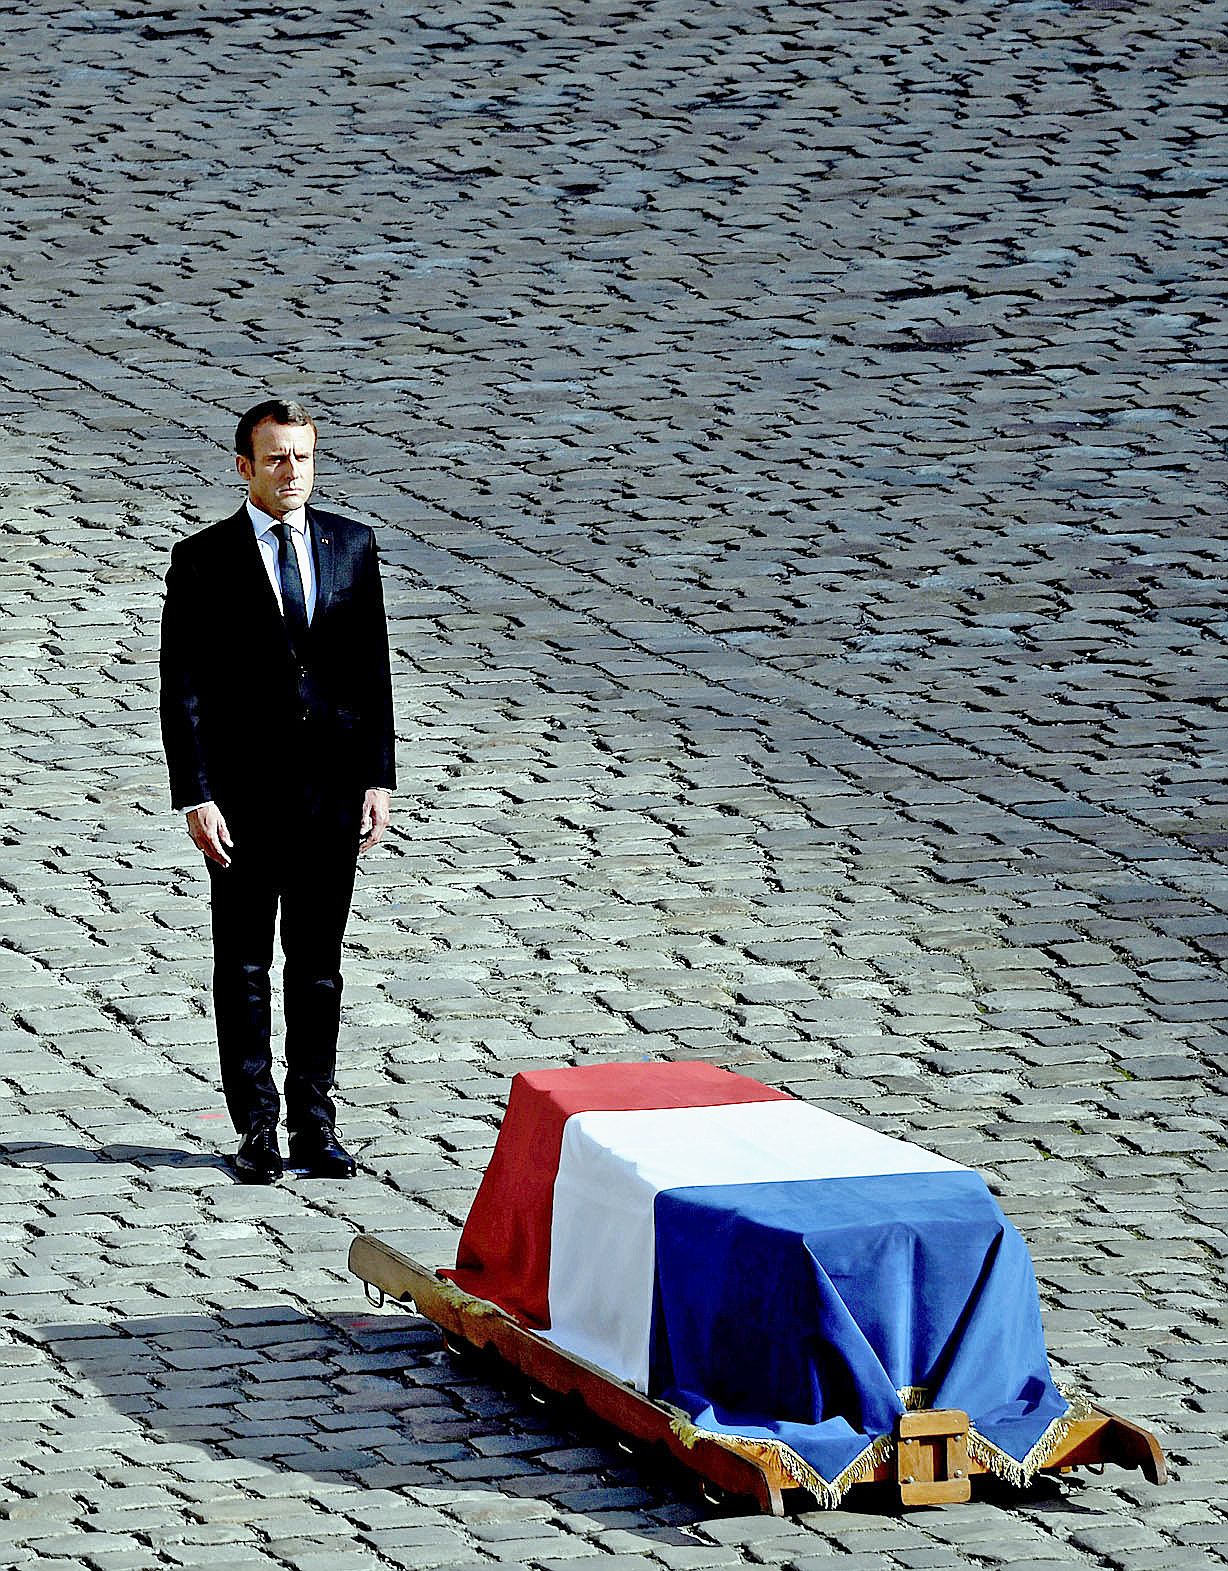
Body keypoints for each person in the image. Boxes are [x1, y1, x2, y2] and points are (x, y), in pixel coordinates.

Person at [159, 399, 396, 1182]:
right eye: (276, 459)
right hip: (243, 801)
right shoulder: (203, 560)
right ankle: (257, 1125)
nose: (291, 472)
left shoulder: (351, 546)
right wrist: (197, 794)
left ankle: (315, 1123)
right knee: (245, 966)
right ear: (244, 467)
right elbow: (182, 688)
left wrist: (377, 777)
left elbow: (371, 671)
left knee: (319, 966)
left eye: (302, 457)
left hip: (330, 796)